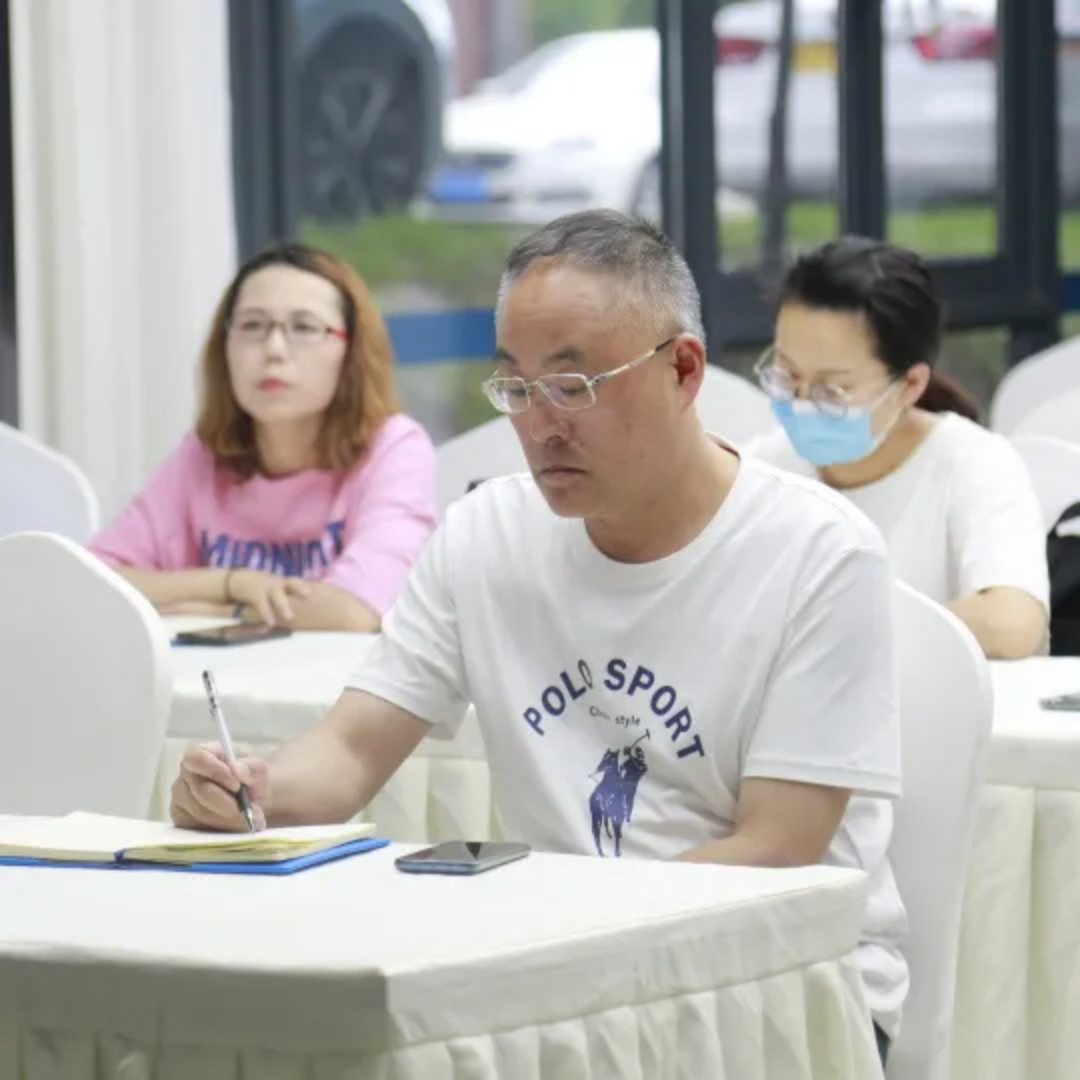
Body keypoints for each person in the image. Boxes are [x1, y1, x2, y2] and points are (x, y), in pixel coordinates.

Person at [172, 211, 906, 1062]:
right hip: (560, 984)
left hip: (776, 992)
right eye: (515, 388)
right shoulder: (487, 534)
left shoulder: (819, 553)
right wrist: (254, 789)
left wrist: (553, 929)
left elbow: (776, 850)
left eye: (574, 385)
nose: (540, 423)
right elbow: (348, 752)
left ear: (683, 369)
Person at [90, 243, 437, 631]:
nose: (273, 349)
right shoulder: (203, 455)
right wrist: (230, 583)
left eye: (304, 327)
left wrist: (220, 612)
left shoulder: (394, 448)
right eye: (252, 326)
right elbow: (93, 581)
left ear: (351, 350)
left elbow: (353, 612)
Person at [747, 237, 1049, 660]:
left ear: (910, 385)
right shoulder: (763, 471)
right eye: (786, 375)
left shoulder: (973, 464)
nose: (800, 404)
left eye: (832, 391)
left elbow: (1012, 624)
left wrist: (836, 631)